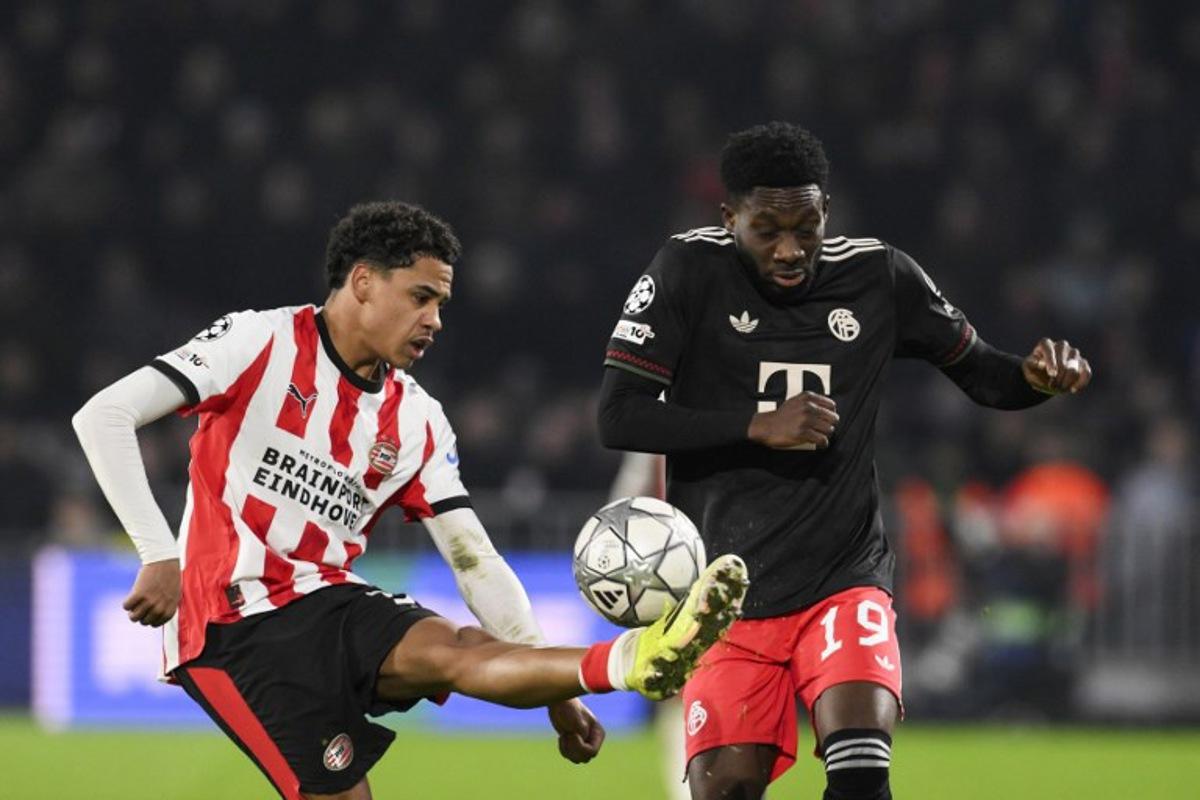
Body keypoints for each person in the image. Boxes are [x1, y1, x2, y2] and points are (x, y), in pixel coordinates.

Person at [72, 201, 749, 800]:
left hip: (330, 599)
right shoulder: (259, 342)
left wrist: (559, 698)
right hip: (230, 623)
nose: (435, 321)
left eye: (442, 305)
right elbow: (103, 416)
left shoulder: (418, 419)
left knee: (456, 646)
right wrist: (159, 553)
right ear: (363, 283)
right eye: (421, 298)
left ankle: (628, 660)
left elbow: (474, 560)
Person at [597, 122, 1092, 800]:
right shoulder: (687, 272)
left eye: (807, 226)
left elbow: (983, 375)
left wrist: (1035, 378)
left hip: (843, 579)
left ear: (826, 210)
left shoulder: (879, 275)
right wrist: (755, 424)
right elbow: (618, 414)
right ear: (728, 216)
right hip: (725, 600)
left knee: (861, 776)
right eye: (767, 229)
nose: (791, 248)